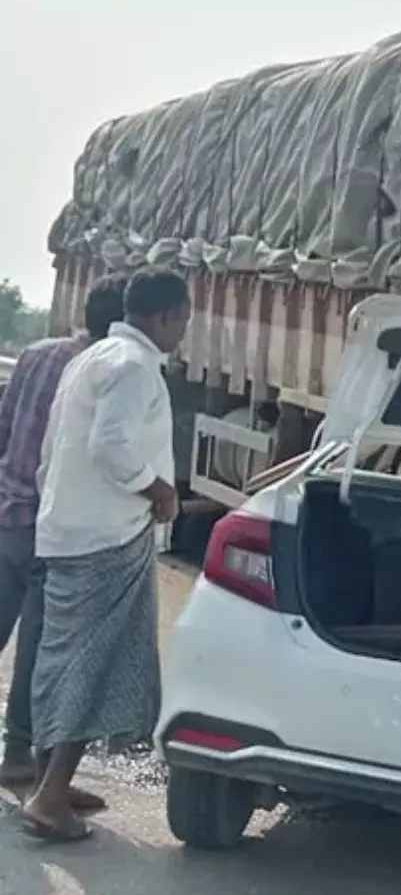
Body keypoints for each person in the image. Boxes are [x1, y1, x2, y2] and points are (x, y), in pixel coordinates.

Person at [20, 267, 189, 841]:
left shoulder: (90, 359)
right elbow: (110, 444)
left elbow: (53, 449)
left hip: (67, 529)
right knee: (90, 665)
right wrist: (160, 490)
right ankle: (47, 797)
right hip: (105, 538)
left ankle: (52, 781)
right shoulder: (133, 366)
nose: (183, 331)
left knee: (60, 661)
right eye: (183, 320)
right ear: (166, 316)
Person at [0, 275, 127, 802]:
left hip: (9, 512)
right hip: (54, 528)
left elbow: (4, 424)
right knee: (39, 649)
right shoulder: (105, 374)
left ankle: (23, 759)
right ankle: (17, 756)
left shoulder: (36, 353)